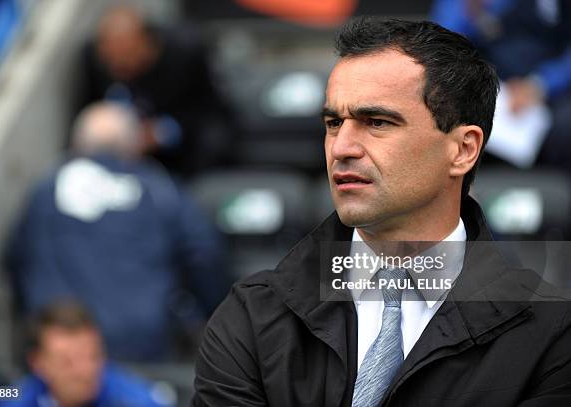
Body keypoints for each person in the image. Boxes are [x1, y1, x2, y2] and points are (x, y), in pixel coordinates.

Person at [191, 18, 571, 406]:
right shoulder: (253, 315)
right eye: (334, 123)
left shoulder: (552, 334)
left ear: (463, 149)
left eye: (376, 122)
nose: (342, 148)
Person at [6, 102, 230, 362]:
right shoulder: (160, 190)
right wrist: (209, 316)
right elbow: (204, 254)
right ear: (134, 146)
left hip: (61, 352)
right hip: (140, 346)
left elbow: (14, 260)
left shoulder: (44, 191)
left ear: (78, 145)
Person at [80, 4, 233, 176]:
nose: (118, 66)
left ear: (146, 43)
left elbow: (209, 111)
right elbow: (90, 108)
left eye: (126, 56)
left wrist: (161, 133)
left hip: (181, 148)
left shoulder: (185, 54)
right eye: (111, 60)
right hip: (122, 152)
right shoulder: (94, 61)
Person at [431, 0, 571, 172]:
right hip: (488, 82)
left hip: (550, 90)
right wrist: (472, 11)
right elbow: (444, 44)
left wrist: (539, 85)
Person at [0, 302, 173, 407]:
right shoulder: (14, 398)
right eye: (68, 362)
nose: (85, 372)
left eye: (93, 356)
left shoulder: (134, 400)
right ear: (37, 363)